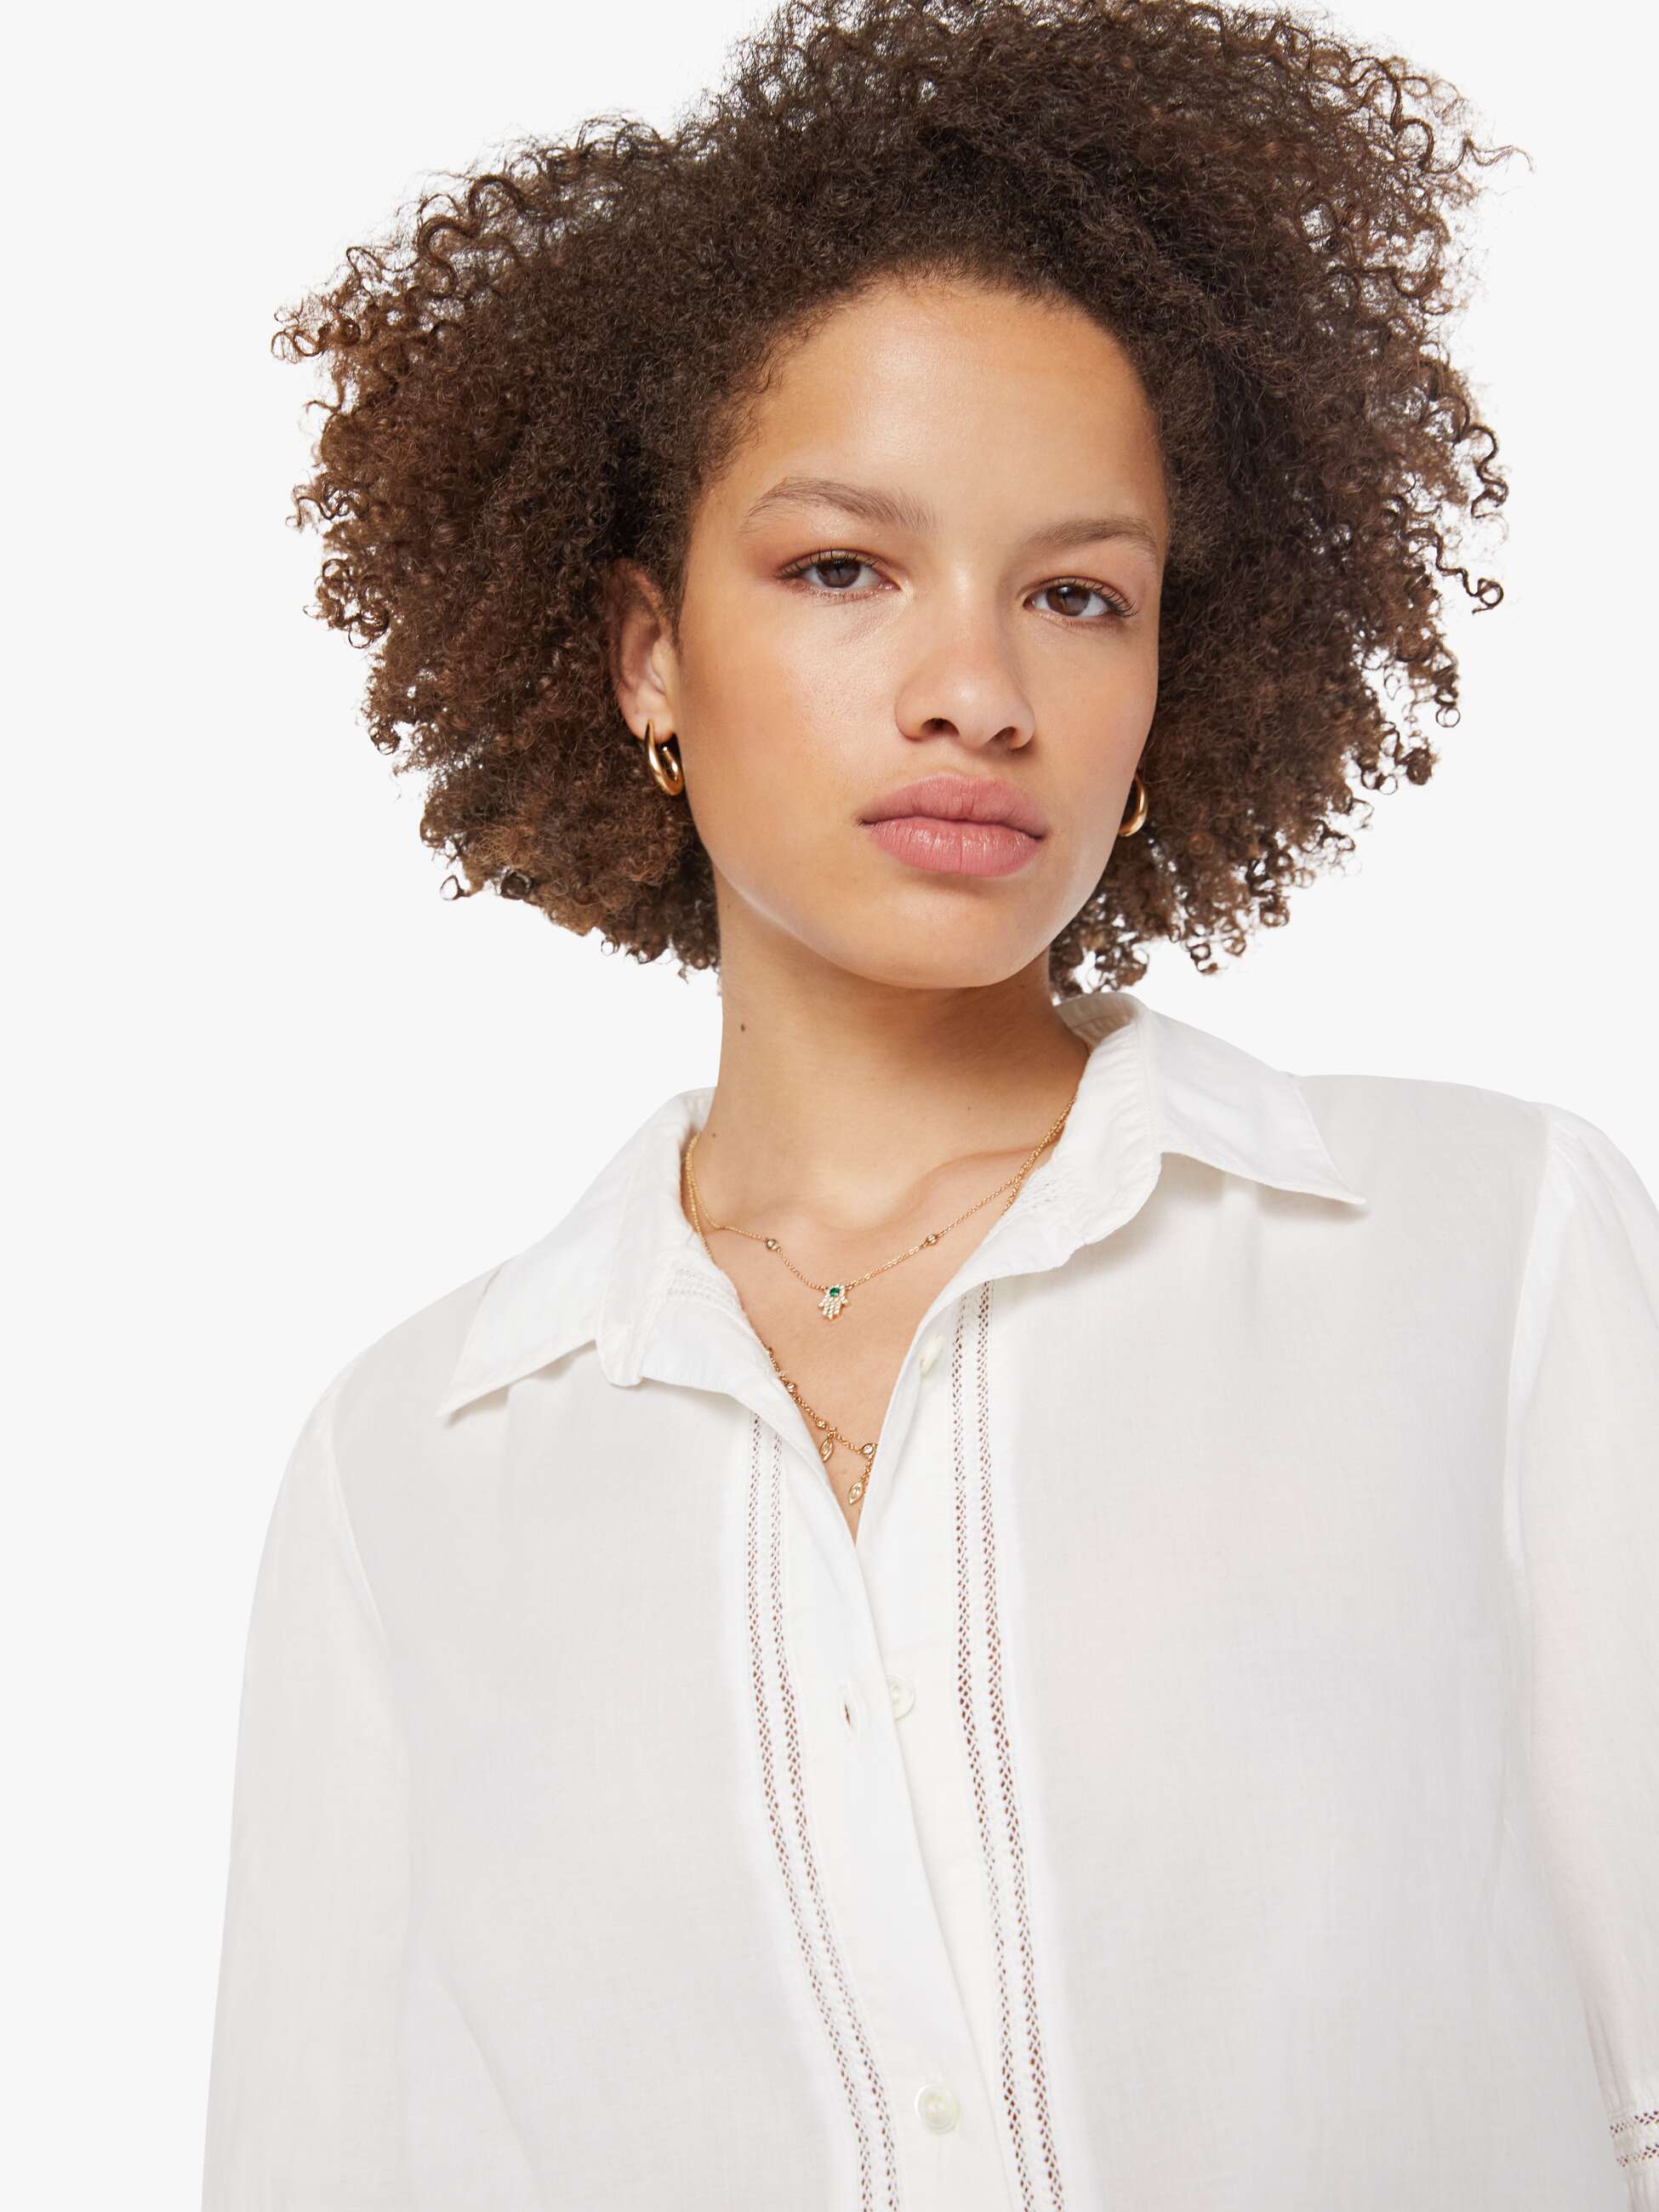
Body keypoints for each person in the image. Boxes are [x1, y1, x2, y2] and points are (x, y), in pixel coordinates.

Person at [202, 2, 1659, 2206]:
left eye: (1077, 595)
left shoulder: (1487, 1255)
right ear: (647, 652)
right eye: (843, 569)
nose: (978, 691)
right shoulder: (414, 1469)